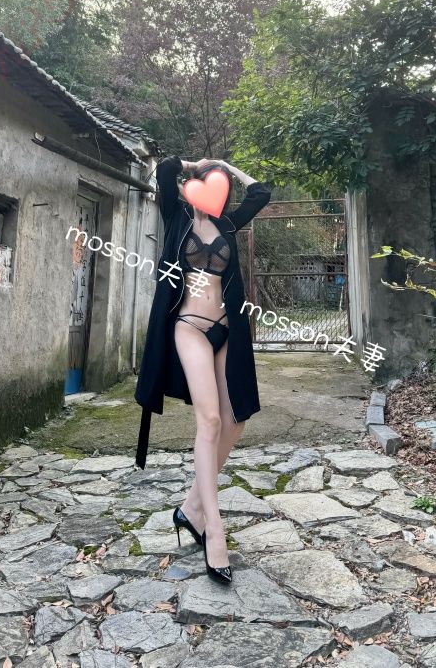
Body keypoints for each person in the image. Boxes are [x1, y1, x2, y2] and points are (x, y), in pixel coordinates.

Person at [133, 155, 271, 584]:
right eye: (209, 183)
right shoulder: (175, 217)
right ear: (193, 187)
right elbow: (164, 169)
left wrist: (228, 166)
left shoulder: (228, 224)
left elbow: (261, 192)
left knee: (235, 421)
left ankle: (191, 509)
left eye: (220, 186)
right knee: (209, 421)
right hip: (189, 327)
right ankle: (214, 532)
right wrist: (196, 163)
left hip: (226, 328)